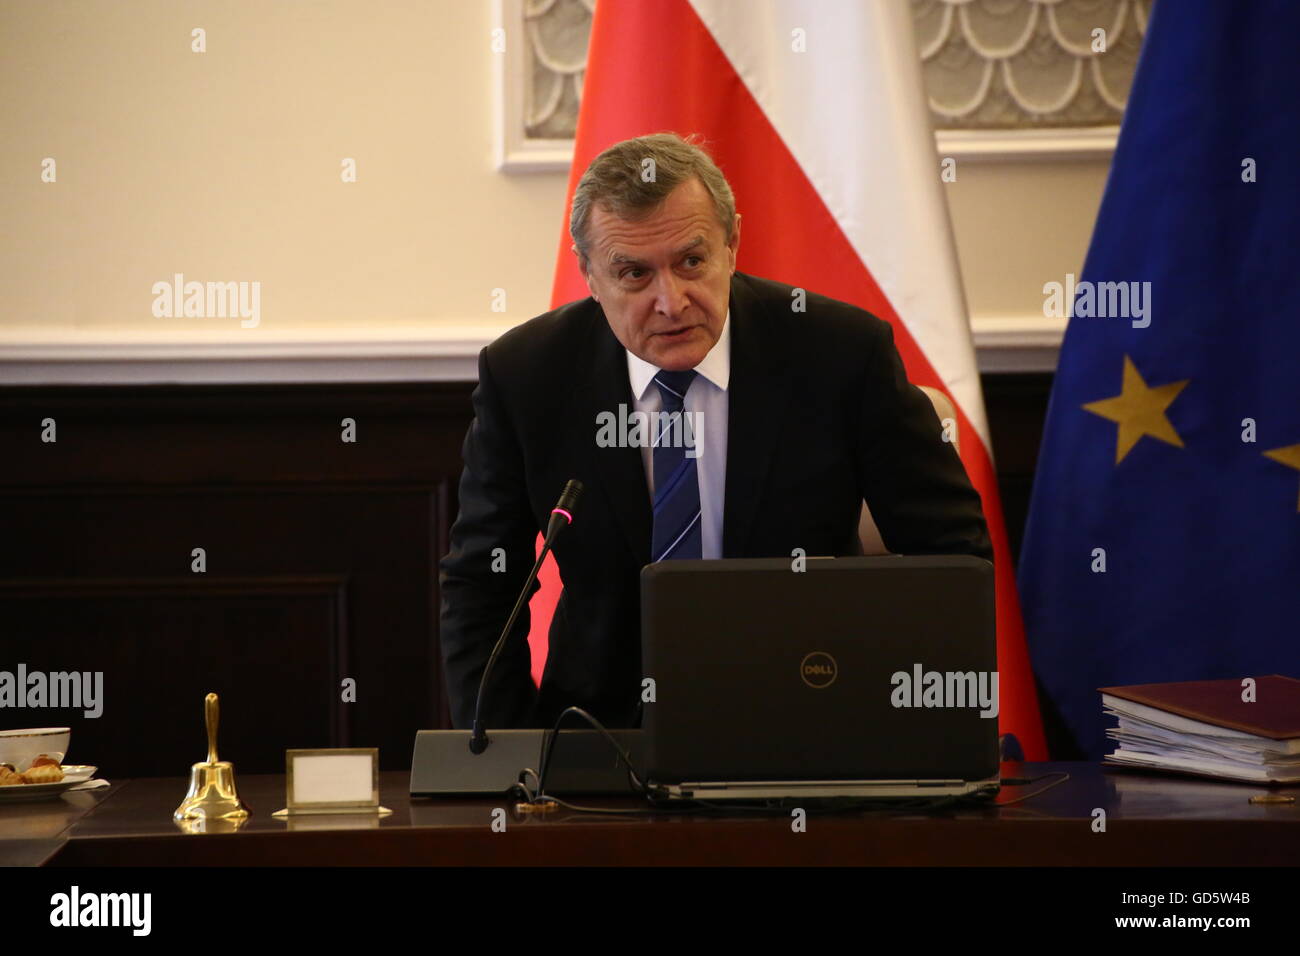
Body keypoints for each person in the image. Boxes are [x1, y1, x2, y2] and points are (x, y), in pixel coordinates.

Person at [440, 132, 991, 730]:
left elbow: (954, 560)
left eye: (691, 262)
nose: (671, 302)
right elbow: (481, 582)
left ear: (732, 244)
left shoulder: (840, 354)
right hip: (602, 733)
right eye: (633, 274)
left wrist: (907, 732)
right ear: (591, 277)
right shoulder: (528, 375)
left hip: (816, 717)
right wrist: (501, 755)